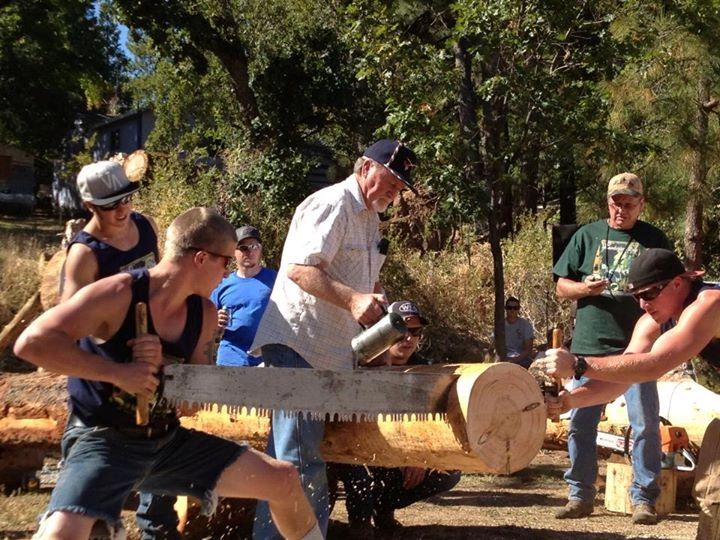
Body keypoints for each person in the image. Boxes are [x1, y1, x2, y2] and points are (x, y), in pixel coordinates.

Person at [14, 207, 321, 540]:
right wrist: (119, 372)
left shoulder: (203, 313)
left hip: (166, 442)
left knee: (284, 479)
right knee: (60, 532)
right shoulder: (119, 293)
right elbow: (32, 343)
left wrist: (185, 391)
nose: (227, 273)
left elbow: (192, 391)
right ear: (201, 259)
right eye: (224, 262)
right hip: (102, 439)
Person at [250, 139, 418, 539]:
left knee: (292, 462)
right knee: (297, 463)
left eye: (401, 185)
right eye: (391, 179)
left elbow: (366, 282)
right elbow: (298, 269)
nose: (395, 190)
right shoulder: (333, 204)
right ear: (364, 168)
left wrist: (378, 317)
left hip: (328, 352)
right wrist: (355, 299)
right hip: (299, 345)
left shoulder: (369, 218)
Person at [538, 248, 716, 536]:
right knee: (713, 493)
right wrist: (571, 400)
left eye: (649, 294)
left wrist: (578, 364)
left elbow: (654, 366)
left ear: (677, 284)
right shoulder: (652, 323)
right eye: (636, 297)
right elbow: (626, 376)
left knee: (714, 490)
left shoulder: (709, 303)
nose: (643, 304)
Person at [61, 160, 177, 539]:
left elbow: (159, 283)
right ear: (90, 206)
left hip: (149, 368)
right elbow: (67, 327)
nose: (123, 209)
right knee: (90, 500)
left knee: (159, 478)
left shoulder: (144, 226)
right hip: (103, 385)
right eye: (112, 205)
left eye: (127, 198)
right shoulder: (84, 255)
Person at [552, 172, 671, 525]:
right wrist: (584, 289)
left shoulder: (654, 238)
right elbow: (562, 286)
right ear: (608, 203)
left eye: (629, 203)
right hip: (590, 346)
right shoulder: (586, 235)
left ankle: (644, 499)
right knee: (580, 421)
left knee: (646, 423)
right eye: (615, 203)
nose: (621, 209)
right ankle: (580, 495)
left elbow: (668, 287)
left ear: (641, 204)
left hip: (638, 348)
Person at [329, 301, 461, 536]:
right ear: (385, 330)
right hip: (361, 450)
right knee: (355, 467)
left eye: (415, 331)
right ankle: (359, 523)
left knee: (448, 472)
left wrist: (419, 457)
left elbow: (435, 424)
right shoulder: (358, 363)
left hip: (404, 454)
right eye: (401, 329)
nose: (408, 338)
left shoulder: (427, 370)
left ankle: (383, 510)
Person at [211, 225, 277, 367]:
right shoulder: (222, 283)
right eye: (243, 247)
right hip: (230, 360)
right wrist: (214, 323)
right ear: (234, 252)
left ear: (260, 249)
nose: (249, 251)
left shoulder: (275, 280)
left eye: (254, 246)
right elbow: (205, 328)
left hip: (267, 361)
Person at [499, 296, 535, 369]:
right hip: (503, 358)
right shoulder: (499, 325)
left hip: (521, 358)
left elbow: (528, 349)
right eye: (510, 307)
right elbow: (494, 345)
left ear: (518, 309)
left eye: (515, 308)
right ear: (505, 308)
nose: (512, 310)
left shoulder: (525, 325)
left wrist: (514, 360)